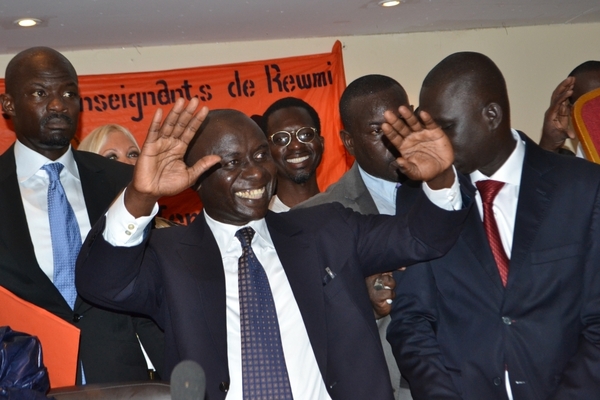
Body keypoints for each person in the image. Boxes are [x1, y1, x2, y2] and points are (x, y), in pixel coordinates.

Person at [75, 96, 471, 399]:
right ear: (194, 179)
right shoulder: (169, 254)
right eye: (230, 162)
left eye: (261, 155)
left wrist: (440, 180)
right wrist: (140, 198)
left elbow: (423, 237)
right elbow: (102, 284)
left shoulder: (328, 229)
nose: (255, 172)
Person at [386, 52, 600, 400]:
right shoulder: (422, 200)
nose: (434, 143)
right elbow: (411, 324)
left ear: (491, 116)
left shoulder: (583, 188)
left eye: (446, 127)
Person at [0, 46, 164, 384]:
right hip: (22, 382)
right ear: (9, 105)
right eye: (40, 92)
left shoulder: (123, 183)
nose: (58, 103)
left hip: (124, 380)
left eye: (69, 92)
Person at [297, 74, 416, 400]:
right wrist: (359, 301)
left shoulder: (450, 193)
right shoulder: (314, 218)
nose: (395, 140)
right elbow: (303, 322)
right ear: (348, 142)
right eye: (378, 132)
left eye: (401, 123)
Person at [260, 97, 324, 211]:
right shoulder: (260, 221)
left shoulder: (346, 210)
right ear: (267, 151)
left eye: (306, 135)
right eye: (281, 139)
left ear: (321, 143)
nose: (296, 146)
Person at [539, 60, 600, 154]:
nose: (597, 112)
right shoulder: (570, 165)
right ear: (572, 112)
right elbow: (539, 167)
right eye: (587, 107)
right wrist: (549, 146)